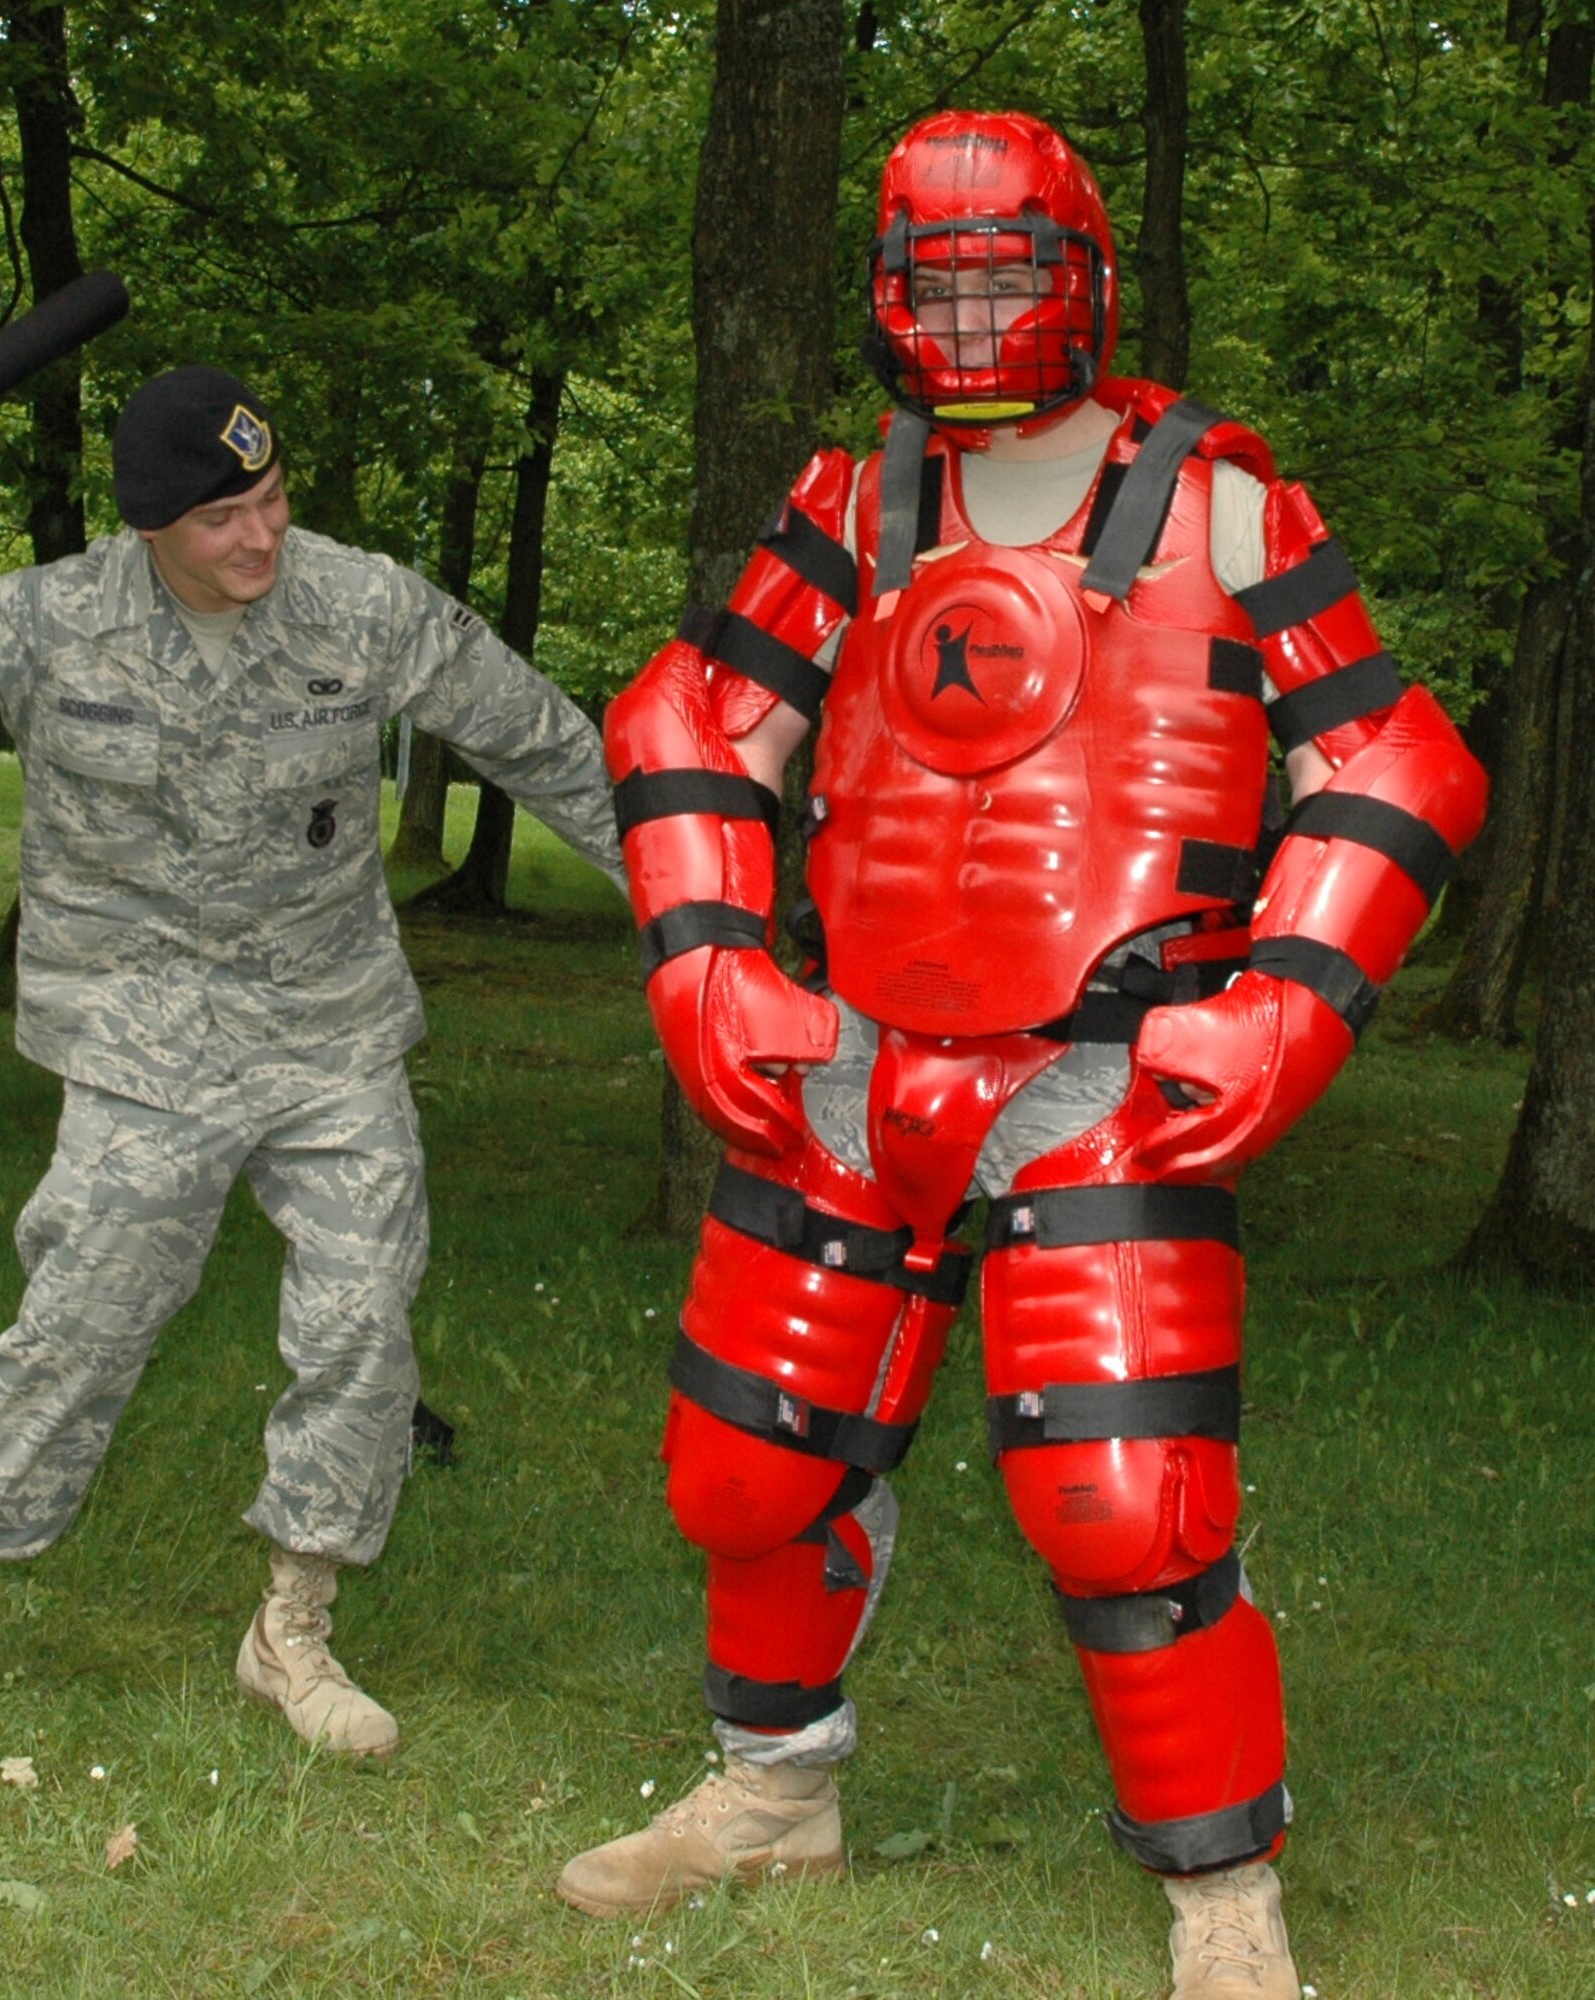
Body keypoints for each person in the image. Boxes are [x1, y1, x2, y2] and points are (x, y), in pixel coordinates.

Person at [557, 112, 1486, 1999]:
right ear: (893, 289)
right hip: (853, 1054)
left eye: (1007, 272)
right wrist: (707, 955)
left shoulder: (1226, 506)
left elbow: (1392, 759)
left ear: (1080, 277)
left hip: (1108, 1078)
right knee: (747, 1471)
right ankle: (771, 1795)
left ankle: (1223, 1896)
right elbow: (693, 717)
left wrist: (1290, 999)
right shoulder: (849, 502)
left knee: (1125, 1507)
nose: (972, 312)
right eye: (939, 275)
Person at [0, 365, 623, 1762]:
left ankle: (295, 1626)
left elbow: (548, 746)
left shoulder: (363, 603)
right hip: (141, 1035)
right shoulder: (51, 620)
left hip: (327, 1028)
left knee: (360, 1321)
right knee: (83, 1317)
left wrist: (709, 907)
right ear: (151, 528)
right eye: (223, 521)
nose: (260, 539)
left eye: (270, 501)